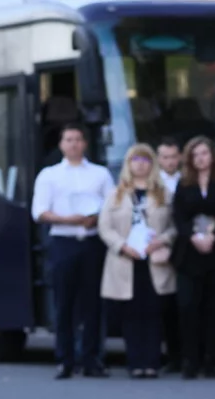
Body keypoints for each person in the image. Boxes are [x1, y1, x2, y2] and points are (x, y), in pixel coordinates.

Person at [31, 123, 117, 379]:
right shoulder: (49, 175)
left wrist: (94, 219)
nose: (74, 144)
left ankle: (92, 359)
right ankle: (64, 359)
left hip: (92, 242)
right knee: (64, 304)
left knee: (93, 305)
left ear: (85, 143)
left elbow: (113, 206)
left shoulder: (100, 174)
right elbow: (39, 212)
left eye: (78, 139)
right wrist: (72, 220)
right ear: (61, 144)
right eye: (68, 139)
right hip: (63, 242)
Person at [98, 144, 178, 379]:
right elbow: (105, 227)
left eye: (145, 159)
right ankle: (135, 362)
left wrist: (161, 241)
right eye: (135, 159)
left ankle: (152, 362)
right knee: (131, 314)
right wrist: (122, 246)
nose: (140, 164)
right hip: (126, 259)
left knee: (152, 313)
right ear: (128, 164)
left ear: (152, 164)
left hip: (153, 260)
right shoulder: (116, 193)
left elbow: (175, 227)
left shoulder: (163, 193)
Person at [171, 136, 215, 379]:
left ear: (212, 155)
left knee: (213, 307)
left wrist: (213, 236)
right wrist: (193, 236)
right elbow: (178, 217)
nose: (201, 158)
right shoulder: (183, 184)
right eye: (196, 155)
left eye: (204, 153)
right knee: (189, 306)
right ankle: (190, 360)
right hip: (189, 254)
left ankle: (209, 359)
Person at [155, 136, 183, 371]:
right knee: (165, 304)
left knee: (187, 302)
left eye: (174, 157)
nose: (170, 161)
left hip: (187, 248)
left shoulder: (188, 180)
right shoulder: (152, 184)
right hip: (160, 248)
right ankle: (171, 354)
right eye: (165, 157)